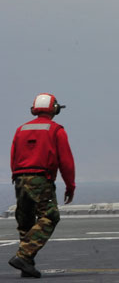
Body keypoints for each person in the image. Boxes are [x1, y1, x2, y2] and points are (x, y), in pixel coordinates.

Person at [9, 93, 75, 279]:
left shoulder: (20, 129)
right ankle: (23, 256)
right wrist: (70, 186)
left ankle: (27, 266)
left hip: (20, 179)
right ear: (54, 109)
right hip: (41, 178)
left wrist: (17, 176)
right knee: (50, 216)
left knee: (26, 222)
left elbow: (13, 155)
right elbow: (66, 162)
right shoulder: (56, 130)